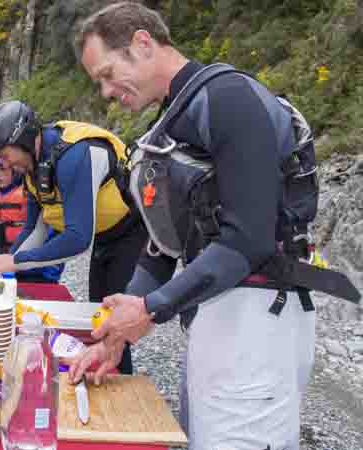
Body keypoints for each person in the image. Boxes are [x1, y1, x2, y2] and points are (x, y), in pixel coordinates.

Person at [69, 3, 333, 449]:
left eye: (108, 74)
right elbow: (166, 242)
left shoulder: (229, 98)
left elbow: (248, 238)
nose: (107, 92)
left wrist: (151, 309)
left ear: (142, 42)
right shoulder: (178, 116)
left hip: (258, 324)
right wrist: (122, 322)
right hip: (215, 315)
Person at [0, 100, 148, 374]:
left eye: (5, 154)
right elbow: (35, 229)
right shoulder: (31, 167)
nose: (3, 163)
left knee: (115, 325)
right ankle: (101, 375)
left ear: (23, 139)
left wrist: (17, 262)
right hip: (104, 236)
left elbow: (78, 239)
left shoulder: (75, 155)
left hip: (133, 231)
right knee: (100, 319)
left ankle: (122, 387)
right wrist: (7, 263)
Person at [0, 154, 63, 283]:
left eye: (2, 169)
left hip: (34, 270)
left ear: (15, 170)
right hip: (3, 270)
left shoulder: (29, 195)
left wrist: (50, 271)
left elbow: (48, 232)